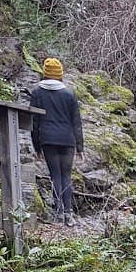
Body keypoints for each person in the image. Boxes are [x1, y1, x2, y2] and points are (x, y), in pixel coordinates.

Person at [31, 58, 84, 224]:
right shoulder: (69, 93)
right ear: (60, 74)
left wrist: (36, 146)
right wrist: (80, 147)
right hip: (67, 140)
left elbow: (35, 122)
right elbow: (76, 121)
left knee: (55, 176)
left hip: (47, 139)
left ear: (45, 73)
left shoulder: (37, 93)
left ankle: (59, 212)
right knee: (66, 176)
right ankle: (69, 214)